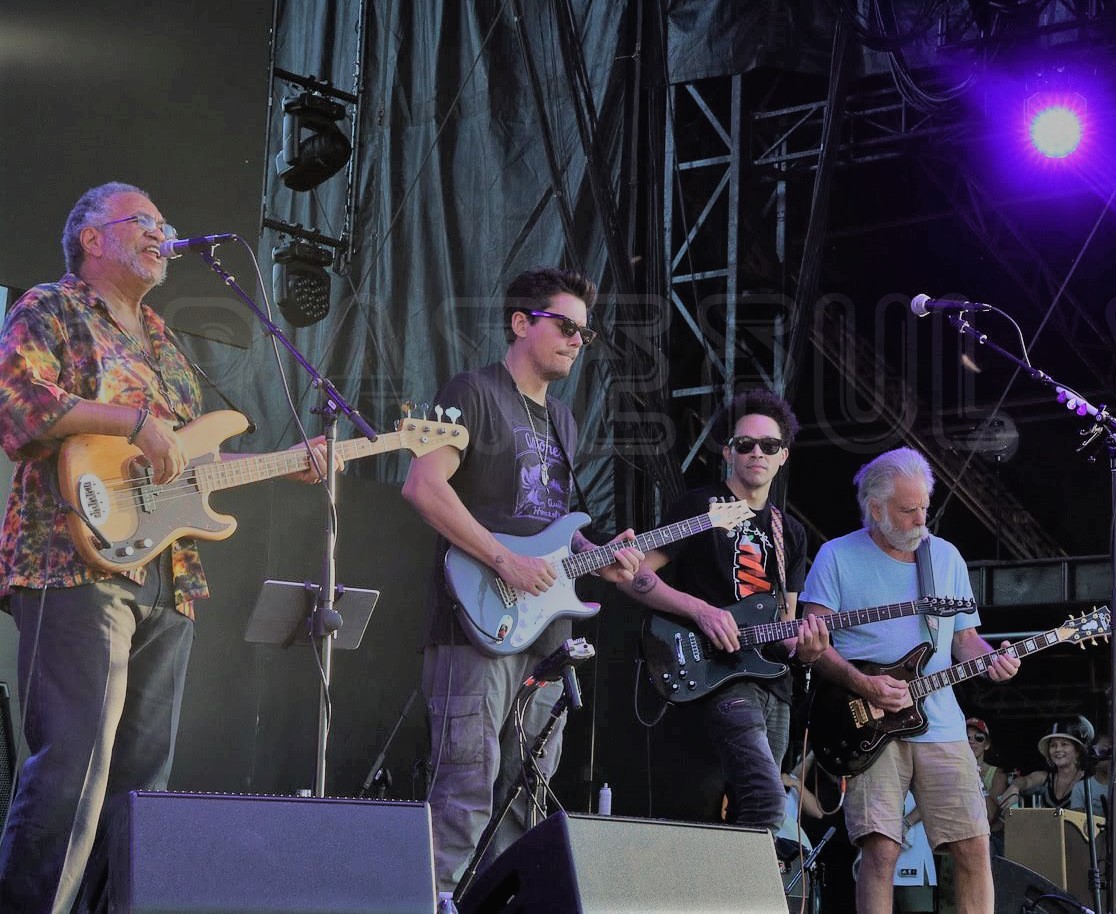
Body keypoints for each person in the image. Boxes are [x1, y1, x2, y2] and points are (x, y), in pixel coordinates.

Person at [0, 182, 331, 912]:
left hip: (168, 574)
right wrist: (131, 422)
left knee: (139, 786)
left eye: (164, 223)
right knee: (73, 770)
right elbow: (17, 405)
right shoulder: (50, 307)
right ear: (91, 238)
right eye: (143, 222)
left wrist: (286, 463)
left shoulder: (163, 338)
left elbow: (185, 461)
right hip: (70, 559)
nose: (161, 233)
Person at [401, 267, 643, 894]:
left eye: (583, 332)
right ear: (520, 323)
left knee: (525, 795)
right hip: (474, 622)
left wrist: (595, 555)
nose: (576, 340)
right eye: (564, 326)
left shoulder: (563, 419)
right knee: (464, 792)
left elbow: (550, 529)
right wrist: (505, 561)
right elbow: (423, 486)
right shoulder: (472, 391)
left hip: (545, 632)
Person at [800, 447, 1021, 914]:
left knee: (974, 844)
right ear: (875, 508)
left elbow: (964, 640)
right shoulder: (836, 556)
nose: (922, 518)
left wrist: (993, 660)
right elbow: (813, 646)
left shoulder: (946, 557)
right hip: (866, 721)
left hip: (940, 722)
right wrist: (864, 685)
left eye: (925, 506)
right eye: (908, 509)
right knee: (880, 849)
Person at [627, 388, 827, 830]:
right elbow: (636, 574)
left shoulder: (790, 532)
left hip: (772, 682)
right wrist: (701, 610)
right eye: (745, 444)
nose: (757, 453)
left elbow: (786, 623)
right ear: (728, 453)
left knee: (754, 814)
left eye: (769, 446)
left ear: (783, 456)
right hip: (716, 673)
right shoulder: (702, 507)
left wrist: (806, 649)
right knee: (767, 800)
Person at [995, 717, 1109, 815]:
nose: (1058, 749)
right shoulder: (1045, 777)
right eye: (1053, 745)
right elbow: (1024, 781)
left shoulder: (1087, 781)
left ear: (1078, 750)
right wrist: (1015, 788)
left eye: (1064, 744)